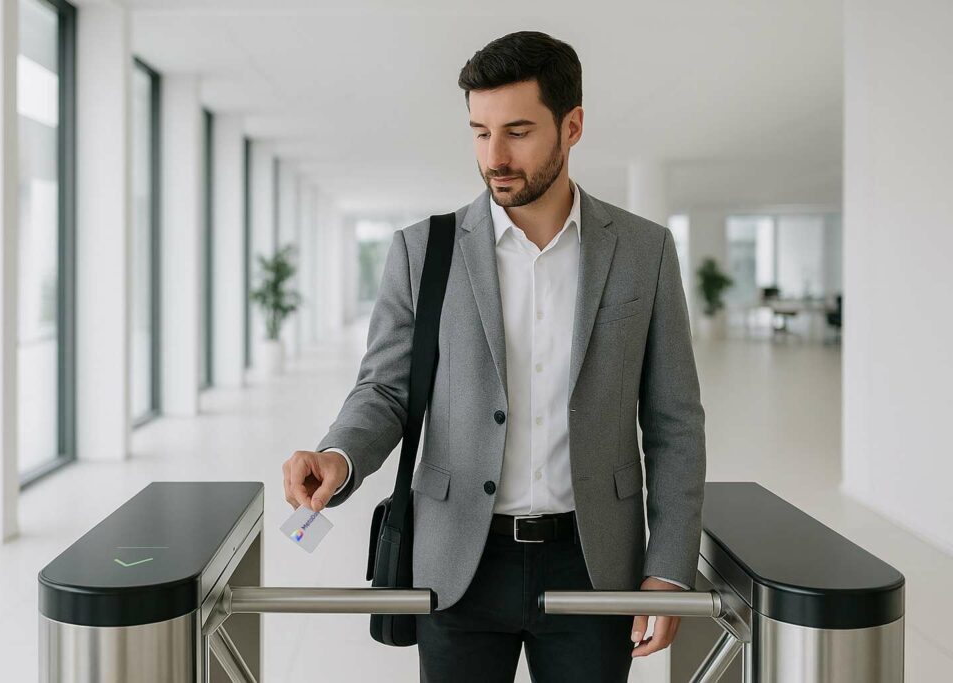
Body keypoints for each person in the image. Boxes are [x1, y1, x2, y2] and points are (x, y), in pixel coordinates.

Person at [282, 30, 706, 682]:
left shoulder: (644, 253)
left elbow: (675, 421)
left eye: (517, 130)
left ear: (573, 127)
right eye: (479, 132)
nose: (494, 155)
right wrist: (337, 455)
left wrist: (670, 564)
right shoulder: (424, 250)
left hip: (592, 564)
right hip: (460, 560)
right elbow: (385, 389)